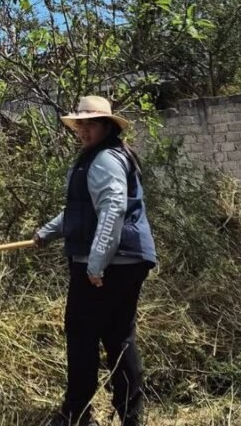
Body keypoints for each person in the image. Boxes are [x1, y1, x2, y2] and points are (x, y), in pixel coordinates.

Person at [34, 96, 157, 426]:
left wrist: (96, 263)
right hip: (127, 260)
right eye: (80, 124)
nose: (83, 130)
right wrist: (46, 232)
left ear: (107, 126)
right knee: (118, 337)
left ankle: (76, 414)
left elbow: (112, 209)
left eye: (91, 124)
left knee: (81, 335)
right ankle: (130, 417)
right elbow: (81, 210)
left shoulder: (103, 160)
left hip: (108, 264)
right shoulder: (105, 156)